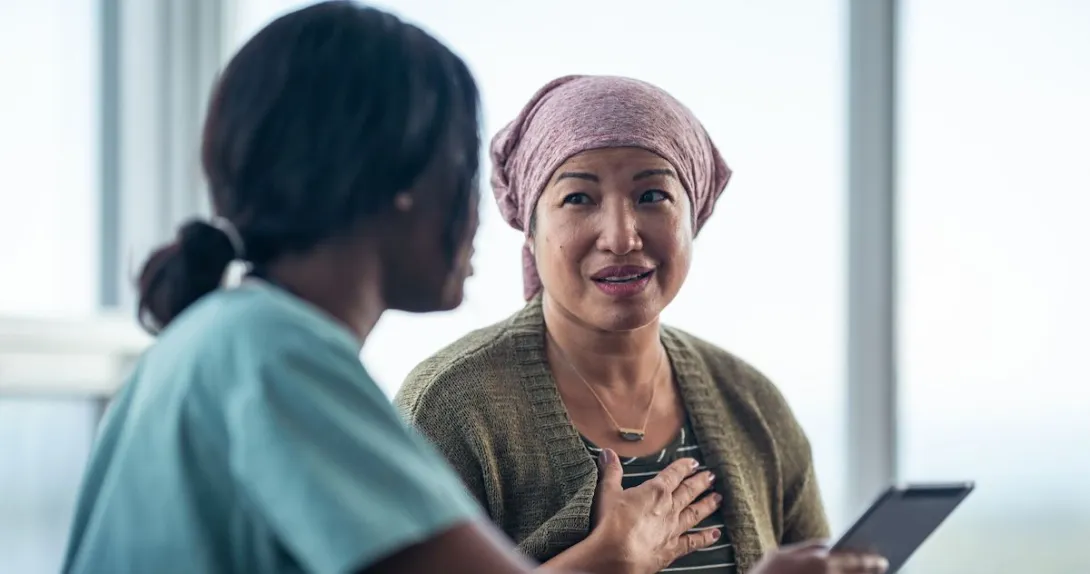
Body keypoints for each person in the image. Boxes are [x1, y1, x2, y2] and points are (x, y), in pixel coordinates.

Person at [60, 2, 538, 573]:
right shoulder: (275, 354)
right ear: (403, 174)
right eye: (465, 162)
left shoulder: (204, 341)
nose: (479, 206)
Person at [396, 75, 889, 574]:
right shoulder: (451, 405)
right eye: (578, 199)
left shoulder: (752, 404)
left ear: (693, 217)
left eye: (652, 195)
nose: (621, 237)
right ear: (530, 228)